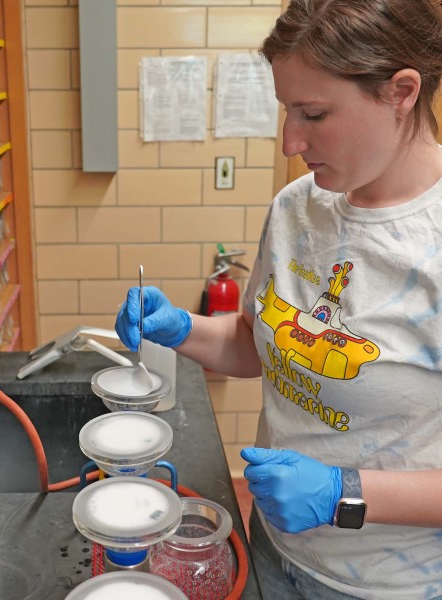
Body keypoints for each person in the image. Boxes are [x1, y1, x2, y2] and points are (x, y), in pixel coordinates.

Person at [115, 1, 442, 598]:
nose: (291, 141)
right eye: (288, 110)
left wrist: (346, 492)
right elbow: (259, 343)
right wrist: (181, 328)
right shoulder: (297, 206)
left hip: (386, 583)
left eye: (313, 114)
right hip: (273, 547)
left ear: (402, 91)